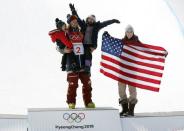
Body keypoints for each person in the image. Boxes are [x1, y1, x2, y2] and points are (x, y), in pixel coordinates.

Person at [55, 15, 95, 109]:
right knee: (73, 84)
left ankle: (88, 102)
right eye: (72, 21)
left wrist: (88, 63)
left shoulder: (82, 32)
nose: (74, 22)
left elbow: (89, 45)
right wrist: (63, 50)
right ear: (69, 23)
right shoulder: (66, 33)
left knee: (87, 83)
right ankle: (71, 102)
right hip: (71, 62)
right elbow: (58, 44)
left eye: (75, 21)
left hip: (83, 62)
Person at [69, 3, 120, 72]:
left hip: (90, 45)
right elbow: (77, 18)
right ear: (87, 19)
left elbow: (105, 23)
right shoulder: (83, 25)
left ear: (94, 21)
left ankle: (87, 66)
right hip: (82, 43)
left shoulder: (96, 26)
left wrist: (113, 20)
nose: (91, 20)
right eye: (90, 19)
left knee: (88, 54)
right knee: (79, 54)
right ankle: (77, 66)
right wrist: (73, 10)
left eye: (92, 20)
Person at [119, 25, 139, 117]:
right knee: (121, 90)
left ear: (133, 32)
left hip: (132, 70)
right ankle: (125, 109)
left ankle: (131, 110)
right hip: (122, 69)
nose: (129, 33)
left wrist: (160, 53)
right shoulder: (122, 42)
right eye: (128, 31)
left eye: (131, 31)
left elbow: (147, 49)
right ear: (125, 33)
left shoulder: (137, 42)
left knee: (132, 90)